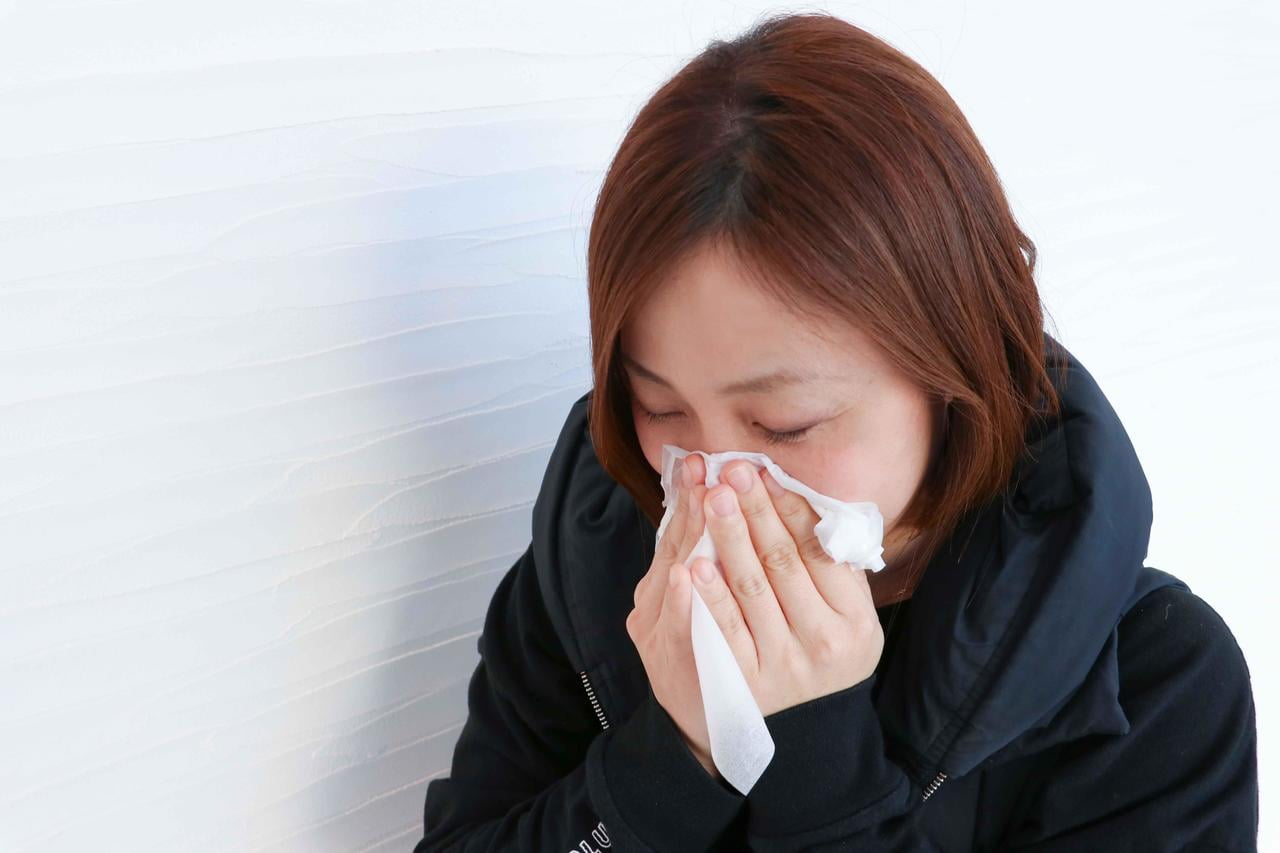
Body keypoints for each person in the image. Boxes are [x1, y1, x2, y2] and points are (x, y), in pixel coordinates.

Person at [414, 12, 1258, 851]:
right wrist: (670, 762)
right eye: (661, 408)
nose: (715, 478)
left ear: (952, 375)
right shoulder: (592, 582)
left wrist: (818, 765)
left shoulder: (1154, 688)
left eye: (786, 423)